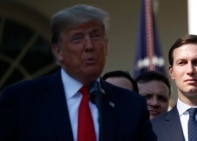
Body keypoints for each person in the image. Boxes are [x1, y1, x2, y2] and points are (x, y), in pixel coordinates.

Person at [0, 4, 157, 141]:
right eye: (77, 38)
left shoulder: (131, 106)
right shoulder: (21, 101)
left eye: (96, 36)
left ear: (106, 46)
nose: (89, 46)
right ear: (58, 51)